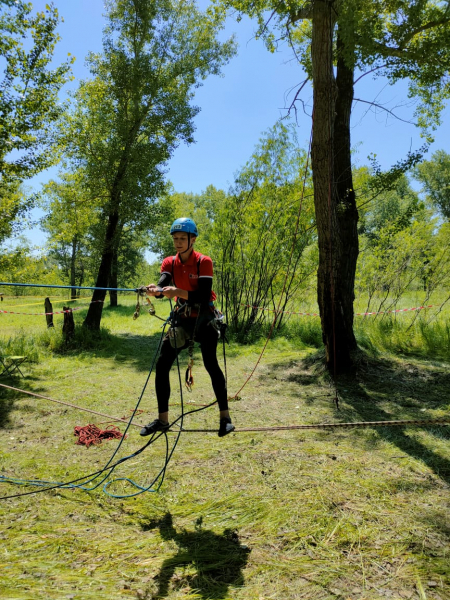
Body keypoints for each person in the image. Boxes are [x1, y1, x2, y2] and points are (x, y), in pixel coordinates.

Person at [140, 217, 235, 438]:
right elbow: (164, 283)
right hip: (182, 320)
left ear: (192, 239)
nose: (178, 242)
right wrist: (156, 290)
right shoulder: (169, 263)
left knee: (211, 365)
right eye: (175, 238)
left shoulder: (204, 262)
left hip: (205, 319)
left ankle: (225, 418)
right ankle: (163, 420)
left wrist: (177, 292)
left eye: (183, 238)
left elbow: (202, 295)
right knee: (163, 365)